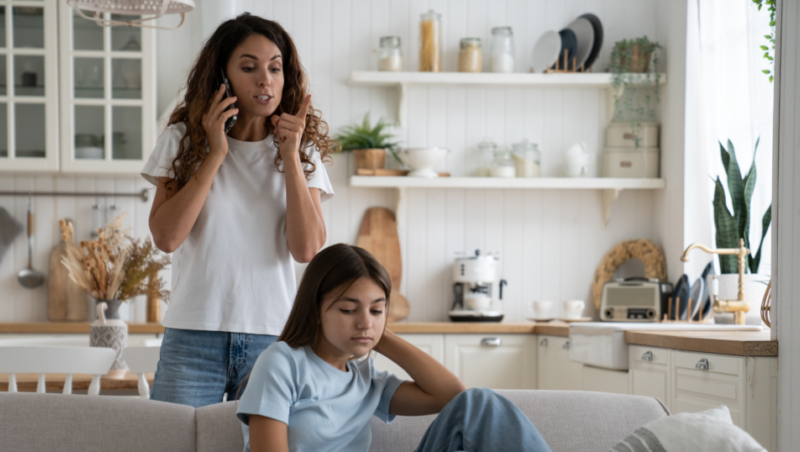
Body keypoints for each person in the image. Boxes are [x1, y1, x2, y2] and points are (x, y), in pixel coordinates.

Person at [140, 13, 334, 407]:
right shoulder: (182, 140)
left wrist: (290, 157)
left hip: (273, 339)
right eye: (249, 68)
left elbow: (307, 249)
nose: (265, 80)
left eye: (275, 68)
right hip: (193, 337)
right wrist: (215, 154)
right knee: (172, 438)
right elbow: (167, 238)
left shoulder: (301, 149)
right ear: (222, 77)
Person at [236, 244, 552, 452]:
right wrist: (369, 326)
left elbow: (454, 397)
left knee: (480, 402)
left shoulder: (366, 378)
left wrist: (378, 335)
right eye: (348, 310)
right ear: (315, 310)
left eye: (376, 309)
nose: (364, 322)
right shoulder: (282, 362)